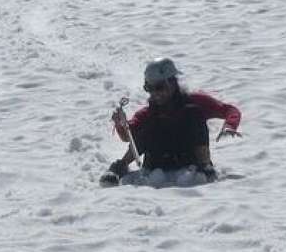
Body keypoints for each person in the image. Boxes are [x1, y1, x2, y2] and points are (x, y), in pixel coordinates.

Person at [103, 58, 242, 185]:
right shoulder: (148, 113)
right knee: (149, 125)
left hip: (190, 159)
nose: (155, 93)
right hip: (158, 163)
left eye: (159, 87)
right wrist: (121, 125)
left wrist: (229, 126)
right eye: (149, 88)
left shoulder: (195, 101)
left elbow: (230, 110)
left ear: (173, 83)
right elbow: (129, 137)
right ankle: (119, 168)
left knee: (193, 113)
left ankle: (205, 166)